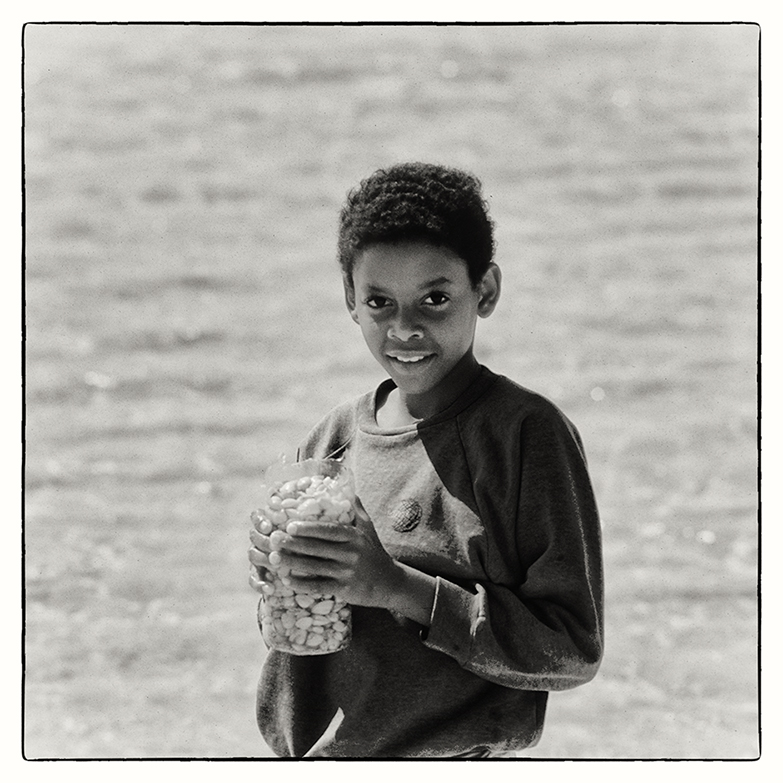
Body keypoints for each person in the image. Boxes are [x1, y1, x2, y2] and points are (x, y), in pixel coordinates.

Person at [248, 162, 604, 759]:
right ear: (350, 301)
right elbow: (299, 630)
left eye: (435, 298)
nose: (404, 327)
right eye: (379, 301)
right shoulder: (331, 440)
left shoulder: (524, 437)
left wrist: (397, 588)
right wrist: (276, 574)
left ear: (484, 291)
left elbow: (571, 651)